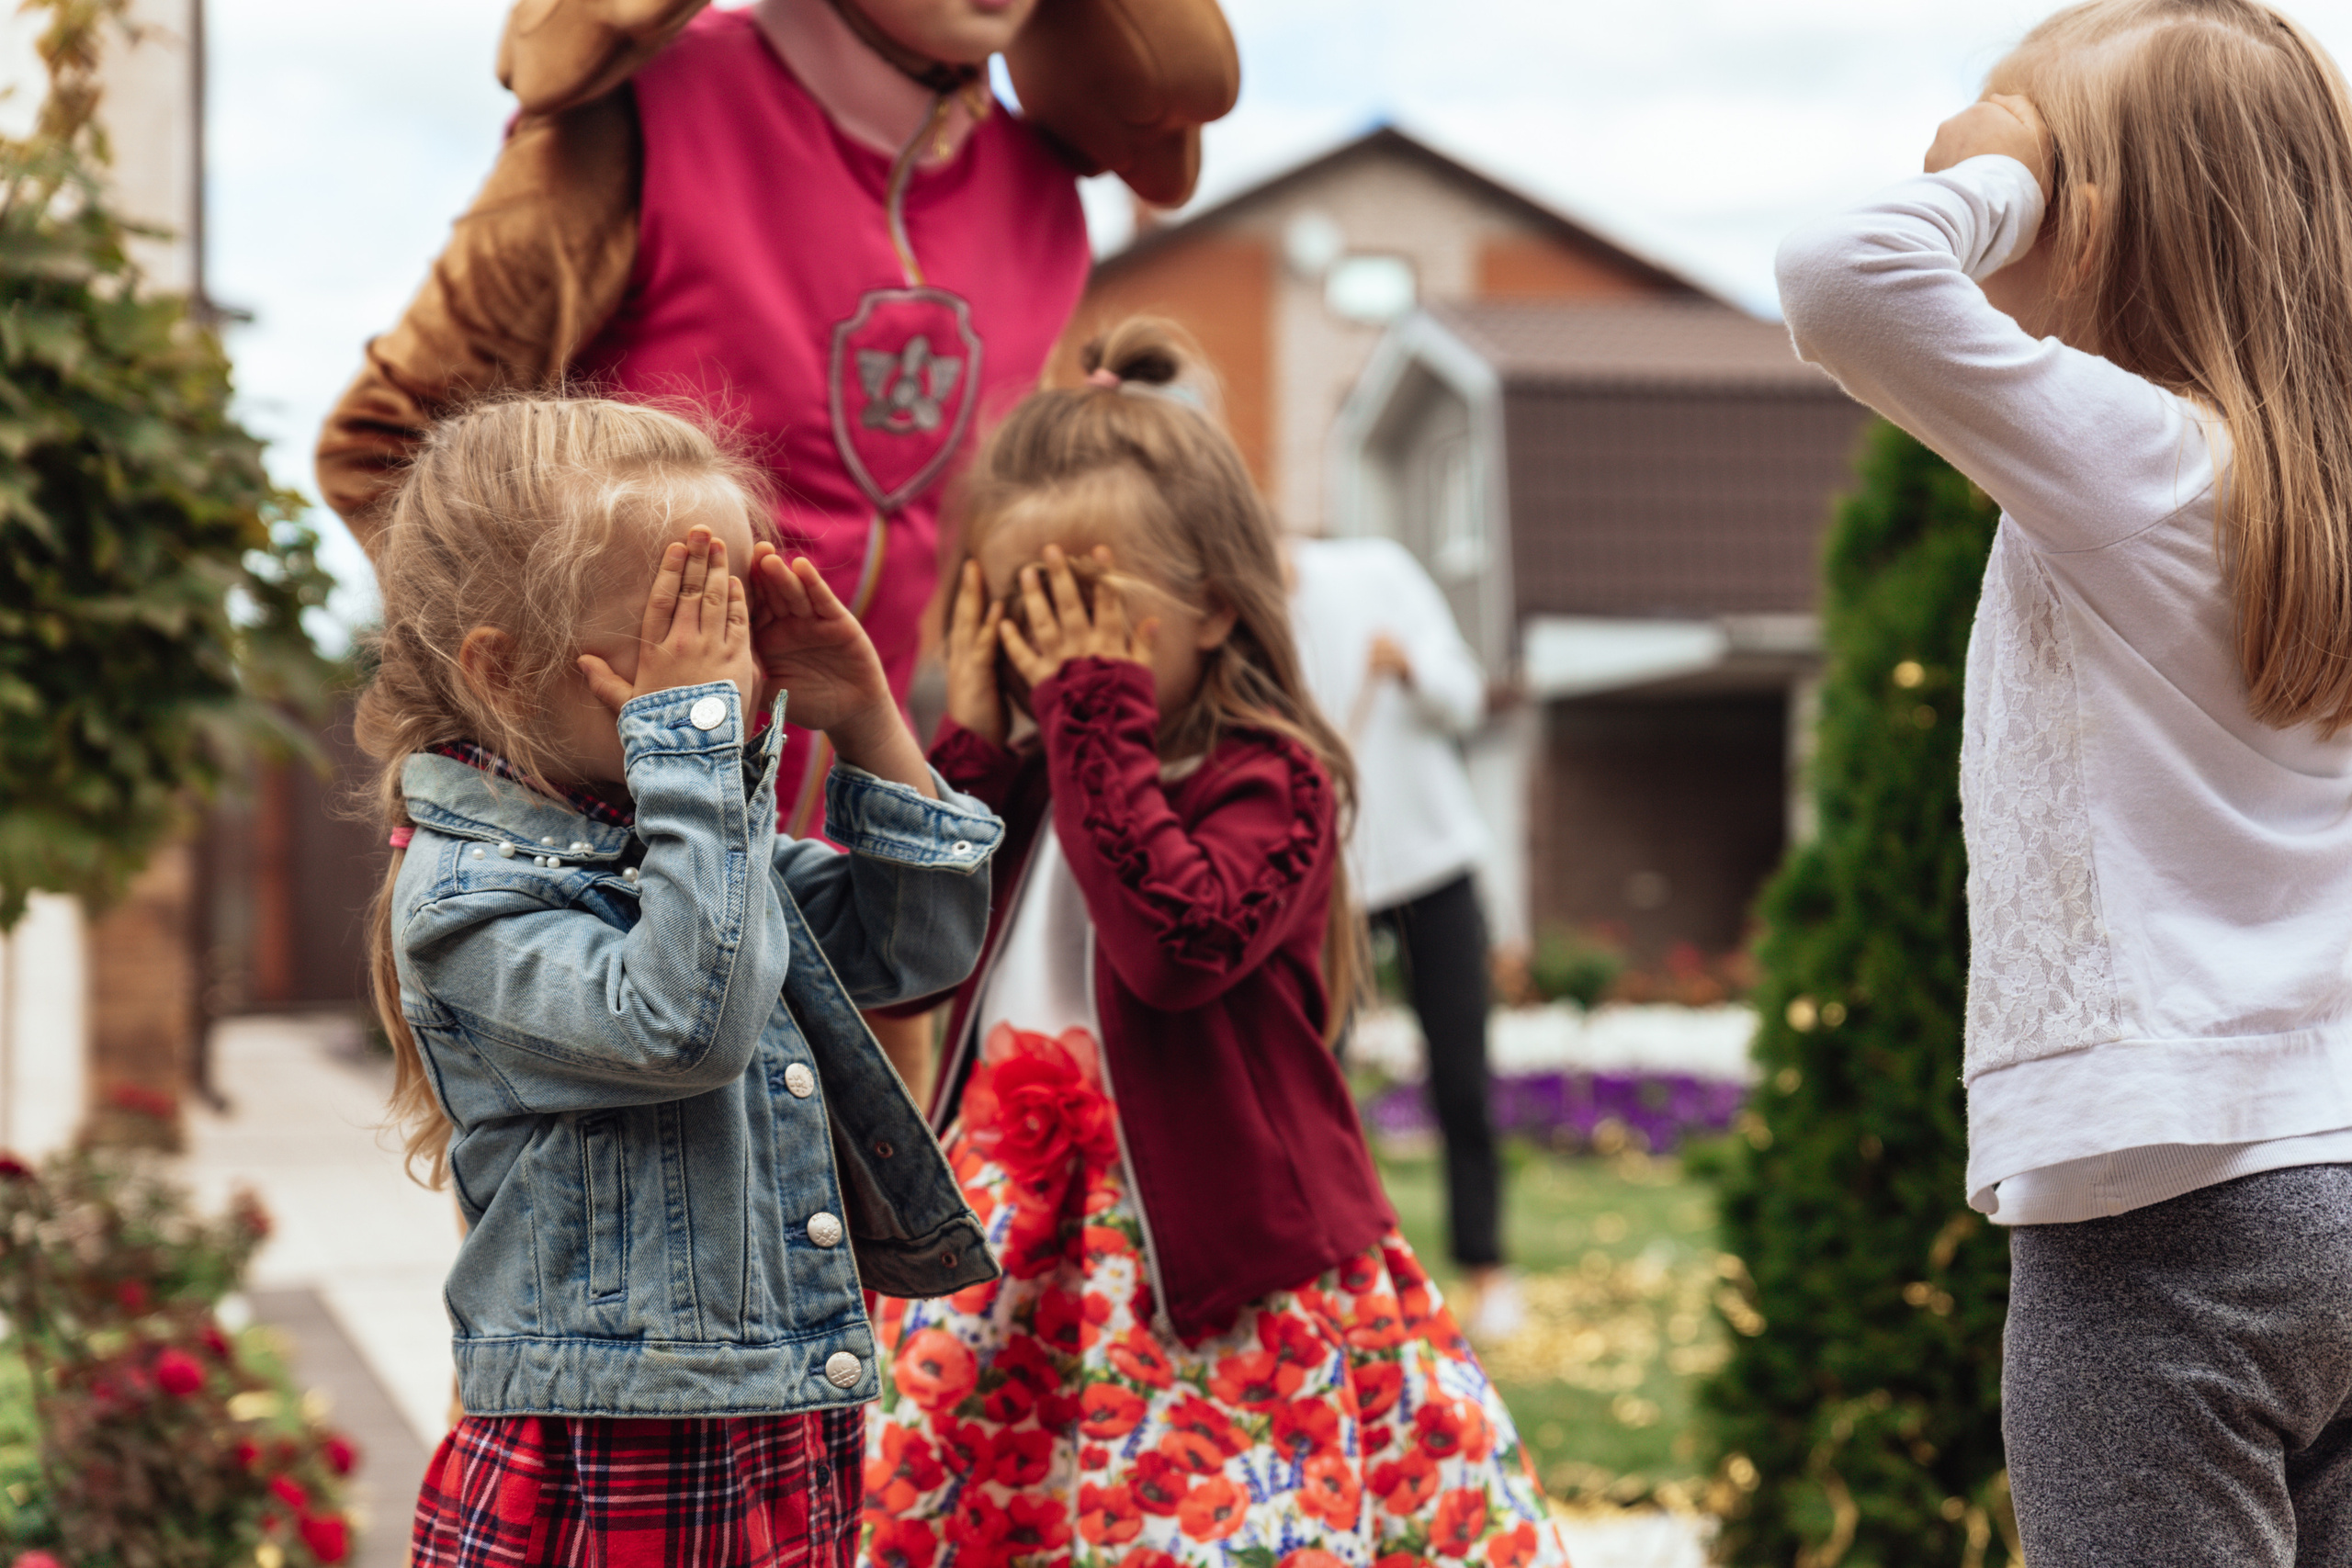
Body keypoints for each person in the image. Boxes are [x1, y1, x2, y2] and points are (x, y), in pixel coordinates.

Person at [319, 0, 1237, 1097]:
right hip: (609, 894)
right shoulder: (647, 110)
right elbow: (385, 445)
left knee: (862, 1262)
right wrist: (566, 751)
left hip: (855, 892)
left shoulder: (1043, 201)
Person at [1778, 2, 2352, 1560]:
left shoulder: (2145, 462)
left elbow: (1844, 279)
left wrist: (1999, 174)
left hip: (2169, 1205)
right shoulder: (2311, 492)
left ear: (2100, 220)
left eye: (2030, 157)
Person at [857, 321, 1570, 1568]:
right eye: (1029, 614)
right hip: (1013, 1247)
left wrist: (1088, 717)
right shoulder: (1029, 781)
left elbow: (1174, 941)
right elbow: (915, 956)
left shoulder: (1272, 779)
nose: (1062, 656)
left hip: (1213, 1271)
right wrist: (973, 743)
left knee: (1201, 1532)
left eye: (1095, 616)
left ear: (1218, 610)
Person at [354, 396, 1005, 1563]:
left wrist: (867, 723)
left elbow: (916, 954)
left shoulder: (687, 839)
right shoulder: (466, 901)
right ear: (503, 674)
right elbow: (680, 1024)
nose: (731, 683)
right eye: (678, 641)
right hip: (612, 1446)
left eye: (732, 628)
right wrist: (698, 757)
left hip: (776, 1411)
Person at [1288, 535, 1519, 1340]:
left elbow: (1466, 693)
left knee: (1461, 1074)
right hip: (1329, 874)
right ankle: (1334, 1265)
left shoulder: (1378, 570)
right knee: (1319, 1074)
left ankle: (1487, 1266)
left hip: (1433, 860)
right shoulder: (1240, 615)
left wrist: (1413, 670)